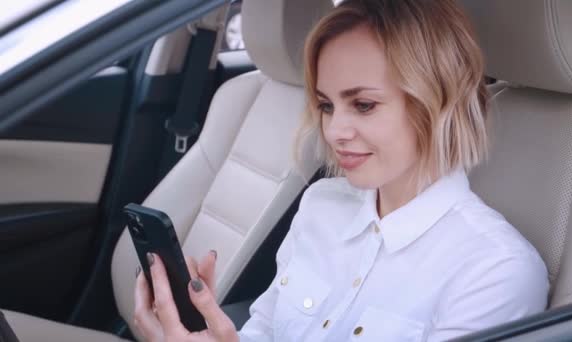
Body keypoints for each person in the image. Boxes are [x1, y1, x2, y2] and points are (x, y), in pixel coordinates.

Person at [133, 0, 550, 341]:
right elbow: (263, 329)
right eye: (327, 105)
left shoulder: (496, 270)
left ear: (438, 100)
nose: (333, 131)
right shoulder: (321, 205)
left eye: (364, 105)